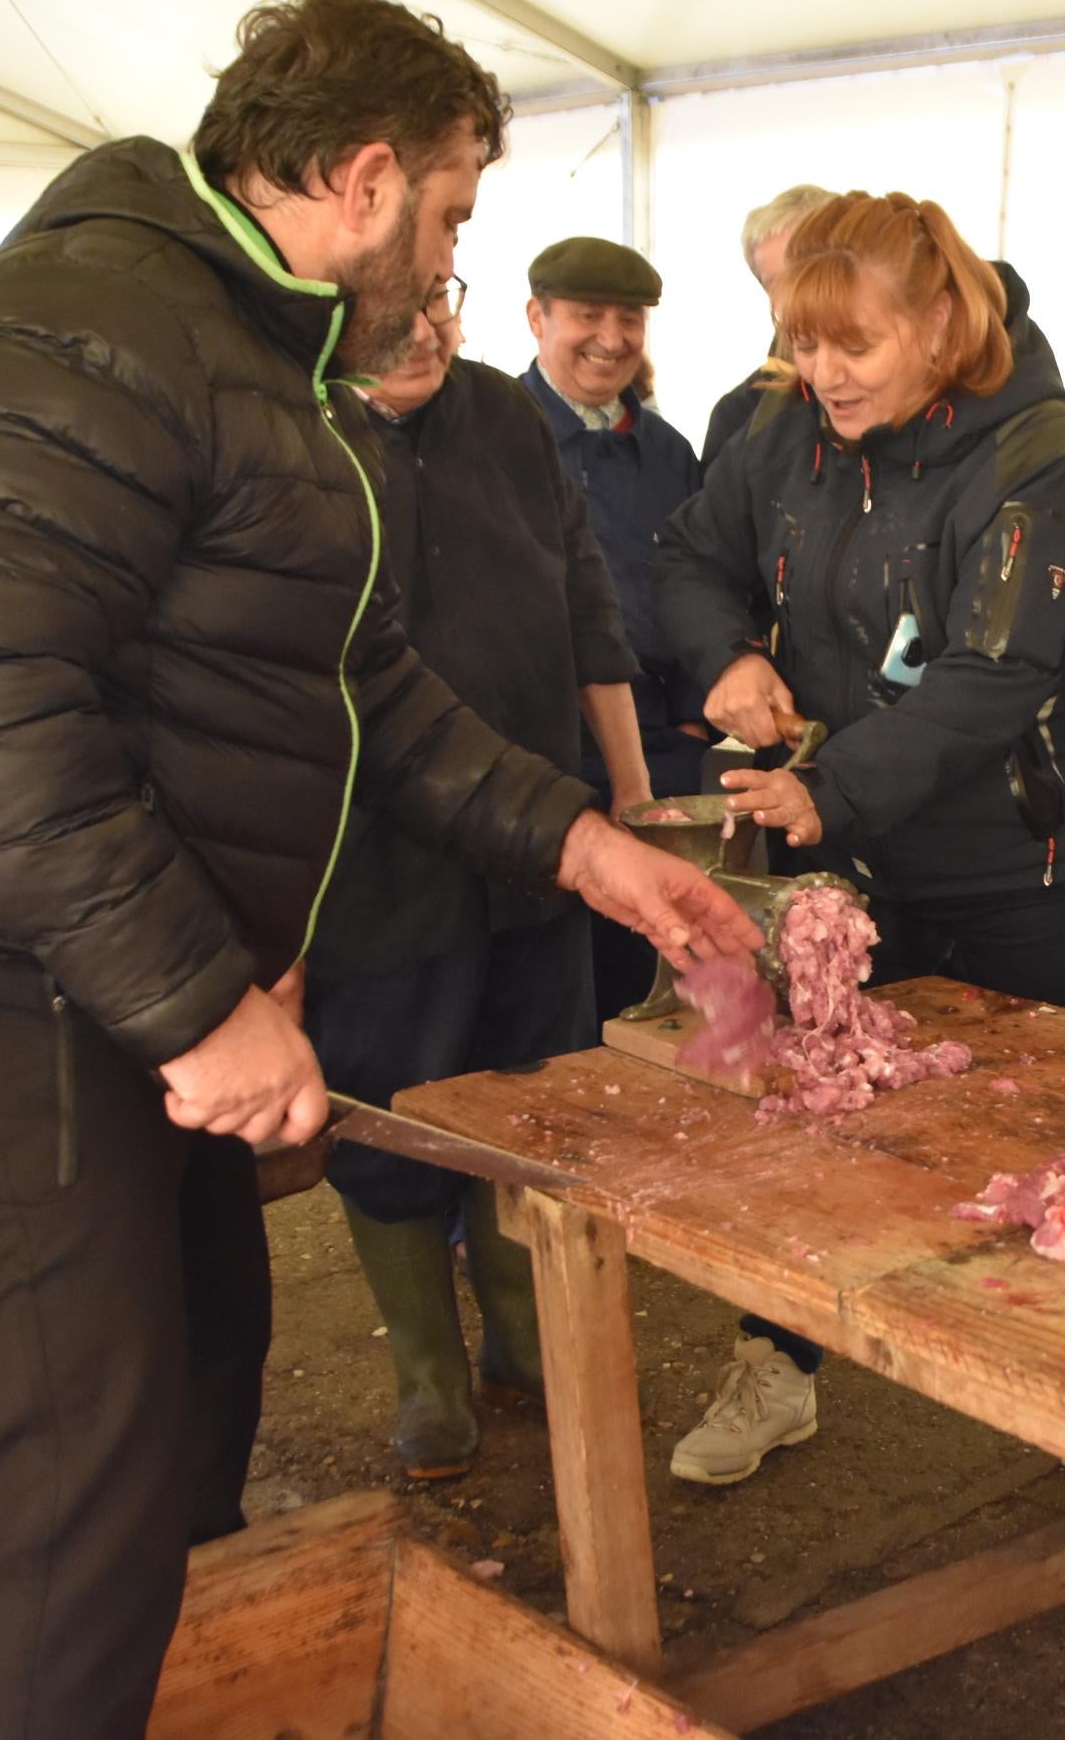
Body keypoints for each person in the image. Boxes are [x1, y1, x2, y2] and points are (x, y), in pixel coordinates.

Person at [0, 0, 758, 1740]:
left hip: (102, 976)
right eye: (449, 212)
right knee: (79, 1483)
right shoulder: (83, 330)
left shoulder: (252, 356)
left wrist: (586, 844)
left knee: (195, 1400)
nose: (449, 255)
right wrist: (202, 1005)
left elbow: (356, 668)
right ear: (366, 179)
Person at [655, 188, 1065, 1488]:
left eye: (850, 346)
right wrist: (730, 657)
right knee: (806, 1126)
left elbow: (993, 671)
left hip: (1023, 857)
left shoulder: (1039, 448)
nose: (822, 374)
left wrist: (830, 789)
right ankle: (778, 1361)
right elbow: (691, 560)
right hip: (854, 861)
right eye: (803, 344)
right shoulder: (778, 431)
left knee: (1036, 1133)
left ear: (935, 320)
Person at [309, 290, 653, 1479]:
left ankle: (519, 1332)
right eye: (392, 312)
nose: (423, 332)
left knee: (538, 1097)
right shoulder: (295, 431)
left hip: (535, 840)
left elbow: (586, 607)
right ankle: (427, 1372)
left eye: (436, 305)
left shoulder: (506, 416)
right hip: (374, 857)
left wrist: (629, 790)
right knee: (387, 1107)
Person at [520, 236, 713, 1014]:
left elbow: (705, 579)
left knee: (653, 964)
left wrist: (695, 723)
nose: (610, 338)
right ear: (537, 318)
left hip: (659, 746)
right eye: (586, 316)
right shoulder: (497, 430)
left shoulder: (668, 453)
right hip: (541, 750)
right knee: (549, 975)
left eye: (628, 320)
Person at [701, 183, 837, 472]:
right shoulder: (741, 414)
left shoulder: (905, 393)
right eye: (774, 284)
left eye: (803, 273)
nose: (791, 297)